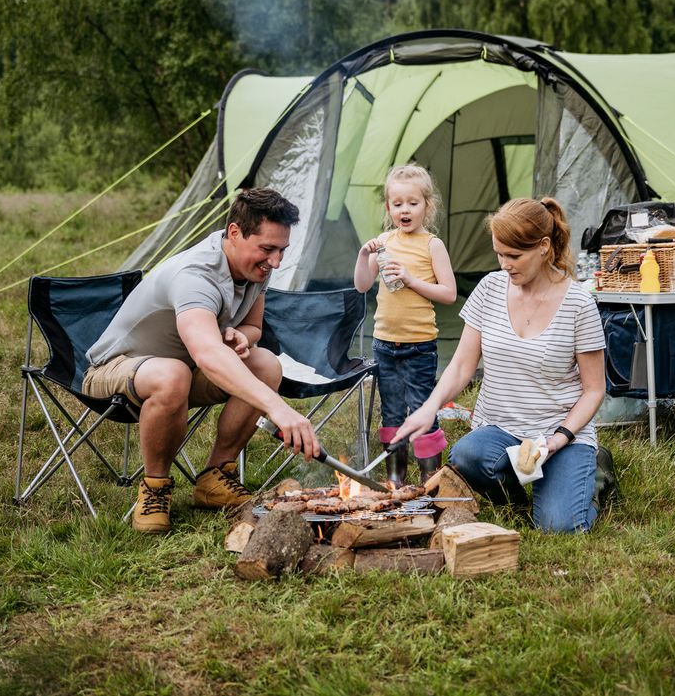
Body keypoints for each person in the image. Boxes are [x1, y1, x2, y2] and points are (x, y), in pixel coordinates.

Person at [82, 188, 320, 533]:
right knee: (173, 374)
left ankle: (215, 477)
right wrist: (278, 409)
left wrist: (244, 336)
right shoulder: (196, 275)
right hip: (117, 367)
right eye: (267, 249)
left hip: (183, 369)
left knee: (266, 363)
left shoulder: (254, 269)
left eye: (282, 250)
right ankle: (155, 488)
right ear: (235, 233)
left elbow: (252, 326)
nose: (276, 262)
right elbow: (208, 355)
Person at [390, 197, 607, 532]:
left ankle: (593, 478)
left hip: (560, 434)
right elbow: (462, 366)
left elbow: (594, 390)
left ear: (544, 247)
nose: (504, 264)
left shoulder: (579, 304)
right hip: (502, 432)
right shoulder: (490, 289)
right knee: (466, 457)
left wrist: (560, 438)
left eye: (514, 256)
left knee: (560, 528)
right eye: (499, 254)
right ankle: (526, 497)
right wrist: (428, 408)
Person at [353, 164, 457, 485]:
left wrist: (411, 280)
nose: (405, 210)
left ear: (428, 206)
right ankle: (395, 479)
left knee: (423, 410)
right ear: (388, 208)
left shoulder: (432, 245)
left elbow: (449, 293)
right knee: (392, 413)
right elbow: (361, 285)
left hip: (419, 346)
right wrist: (362, 256)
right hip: (385, 344)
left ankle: (430, 480)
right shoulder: (383, 243)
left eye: (413, 203)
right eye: (397, 204)